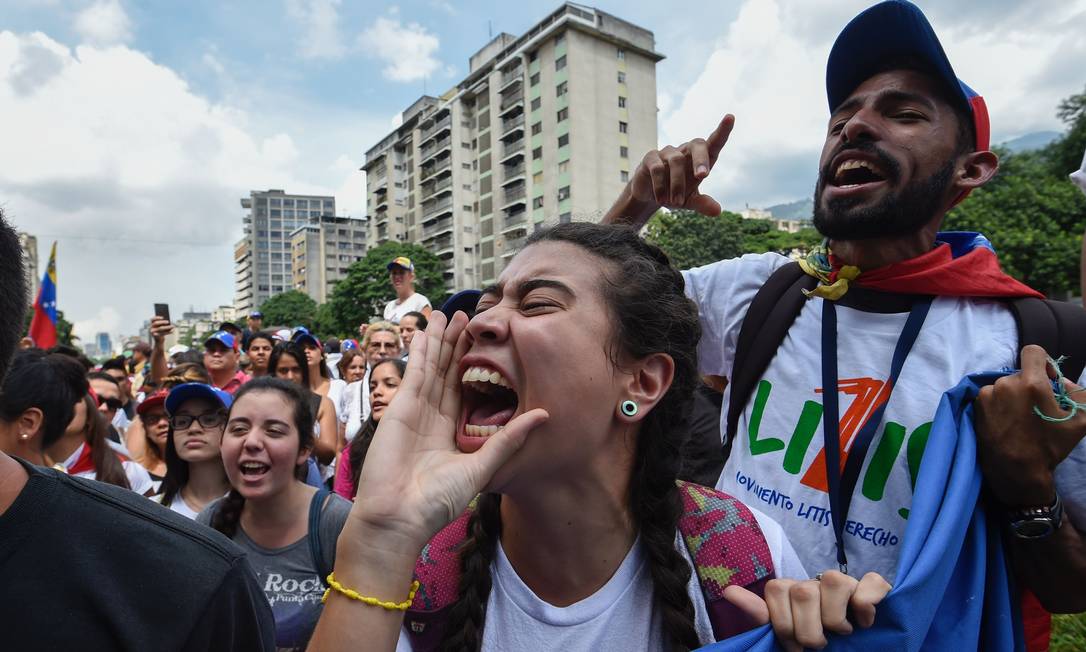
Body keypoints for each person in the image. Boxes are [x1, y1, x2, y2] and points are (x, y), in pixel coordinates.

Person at [601, 0, 1086, 643]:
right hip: (723, 633)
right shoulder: (760, 289)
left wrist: (1027, 486)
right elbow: (579, 313)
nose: (855, 127)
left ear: (971, 171)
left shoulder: (1037, 344)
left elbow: (1070, 589)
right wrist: (637, 204)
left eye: (904, 113)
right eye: (842, 117)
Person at [306, 224, 861, 652]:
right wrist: (382, 536)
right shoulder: (419, 569)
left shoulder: (744, 553)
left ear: (643, 383)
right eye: (486, 306)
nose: (480, 323)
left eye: (538, 303)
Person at [0, 211, 275, 650]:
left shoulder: (193, 576)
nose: (185, 428)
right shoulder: (149, 495)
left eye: (210, 419)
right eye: (177, 418)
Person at [199, 377, 352, 651]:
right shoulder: (210, 522)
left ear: (304, 449)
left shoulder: (337, 523)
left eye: (273, 431)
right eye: (239, 429)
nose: (252, 441)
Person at [47, 393, 155, 495]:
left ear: (90, 416)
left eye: (73, 395)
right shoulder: (31, 465)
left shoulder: (128, 471)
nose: (63, 404)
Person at [156, 383, 234, 519]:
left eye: (209, 419)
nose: (193, 429)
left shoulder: (254, 508)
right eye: (182, 421)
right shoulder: (154, 509)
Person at [332, 357, 406, 500]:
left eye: (389, 384)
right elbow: (340, 505)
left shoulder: (432, 446)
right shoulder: (355, 451)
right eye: (372, 387)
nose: (376, 392)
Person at [268, 344, 338, 466]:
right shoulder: (262, 404)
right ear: (273, 373)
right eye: (283, 371)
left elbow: (328, 455)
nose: (290, 377)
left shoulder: (322, 404)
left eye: (296, 370)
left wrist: (303, 431)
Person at [341, 322, 402, 444]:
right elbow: (340, 447)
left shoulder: (411, 387)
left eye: (389, 345)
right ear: (364, 350)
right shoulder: (351, 391)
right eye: (376, 345)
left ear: (398, 350)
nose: (382, 351)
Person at [294, 329, 348, 424]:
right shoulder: (294, 391)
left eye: (312, 347)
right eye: (302, 348)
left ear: (322, 355)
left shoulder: (339, 386)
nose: (306, 351)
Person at [131, 390, 170, 491]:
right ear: (146, 430)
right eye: (152, 419)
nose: (162, 423)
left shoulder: (199, 469)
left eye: (168, 416)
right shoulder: (135, 471)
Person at [383, 257, 432, 323]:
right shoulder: (389, 306)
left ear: (412, 277)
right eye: (394, 273)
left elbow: (425, 330)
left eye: (401, 272)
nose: (397, 276)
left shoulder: (421, 302)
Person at [204, 330, 251, 395]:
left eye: (223, 350)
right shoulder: (197, 383)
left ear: (237, 357)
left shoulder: (250, 385)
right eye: (212, 350)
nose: (216, 354)